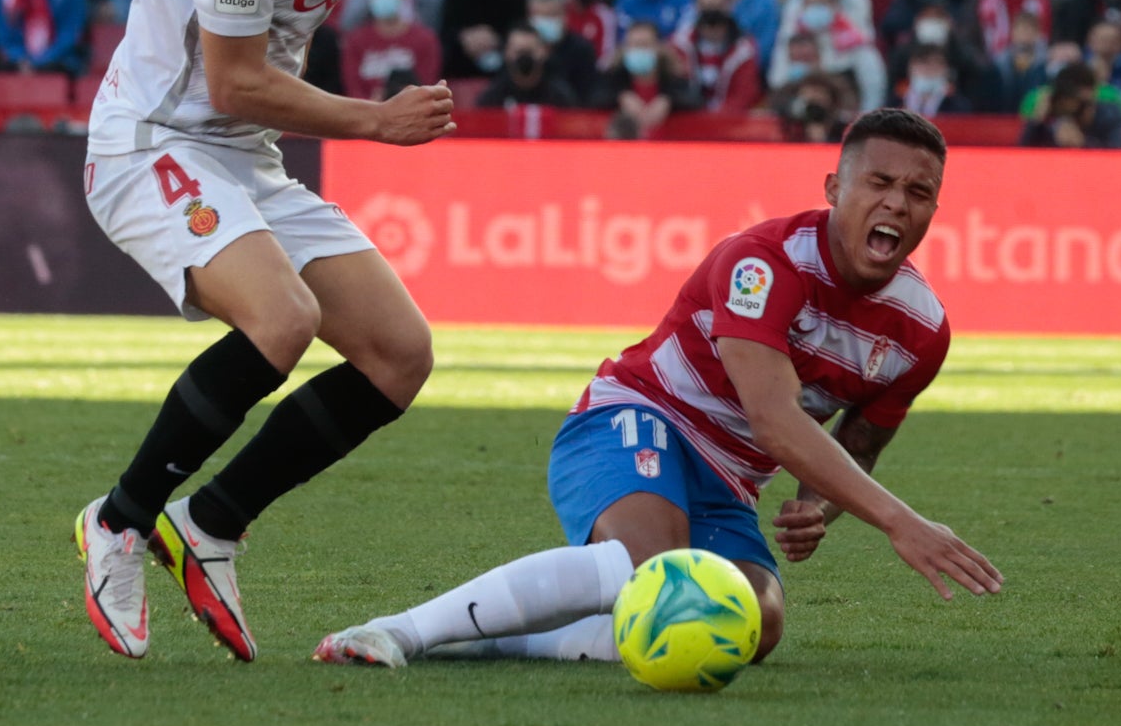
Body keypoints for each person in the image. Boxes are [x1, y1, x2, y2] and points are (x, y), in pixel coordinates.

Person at [315, 110, 1001, 671]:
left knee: (752, 623)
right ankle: (398, 630)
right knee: (658, 566)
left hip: (728, 480)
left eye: (917, 192)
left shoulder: (923, 331)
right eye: (878, 182)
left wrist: (815, 504)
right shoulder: (763, 264)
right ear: (833, 187)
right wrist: (900, 521)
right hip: (638, 416)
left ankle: (490, 638)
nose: (895, 204)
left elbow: (862, 436)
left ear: (935, 206)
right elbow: (773, 420)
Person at [73, 0, 455, 663]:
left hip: (242, 152)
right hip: (152, 137)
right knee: (282, 319)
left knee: (398, 354)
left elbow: (266, 61)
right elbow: (236, 77)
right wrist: (371, 120)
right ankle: (119, 521)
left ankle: (212, 522)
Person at [340, 0, 443, 101]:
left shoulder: (425, 40)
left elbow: (427, 85)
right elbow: (353, 89)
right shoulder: (355, 41)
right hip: (366, 115)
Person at [1021, 60, 1121, 147]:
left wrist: (1083, 143)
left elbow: (1120, 150)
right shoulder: (1050, 114)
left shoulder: (1109, 113)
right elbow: (1022, 152)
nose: (1071, 106)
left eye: (1078, 100)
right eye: (1065, 99)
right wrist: (1036, 122)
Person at [477, 21, 580, 109]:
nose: (524, 58)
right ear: (506, 53)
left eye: (529, 52)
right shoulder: (492, 98)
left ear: (544, 52)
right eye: (519, 52)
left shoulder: (561, 97)